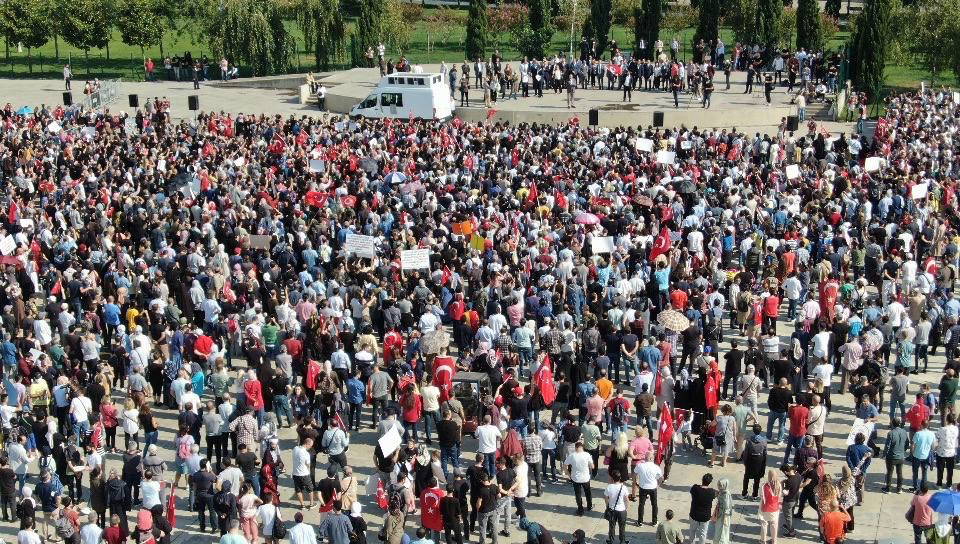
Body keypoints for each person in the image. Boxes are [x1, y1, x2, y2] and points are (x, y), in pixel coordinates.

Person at [564, 441, 594, 516]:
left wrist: (569, 474)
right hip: (585, 478)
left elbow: (565, 466)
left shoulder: (572, 456)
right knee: (588, 492)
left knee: (578, 494)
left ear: (575, 448)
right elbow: (592, 466)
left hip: (575, 478)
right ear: (582, 447)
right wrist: (589, 470)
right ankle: (589, 506)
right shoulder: (587, 455)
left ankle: (580, 510)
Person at [688, 473, 717, 544]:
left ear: (702, 480)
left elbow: (692, 491)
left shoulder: (695, 488)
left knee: (692, 531)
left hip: (694, 514)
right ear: (709, 482)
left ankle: (691, 542)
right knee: (703, 533)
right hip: (705, 517)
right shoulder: (711, 492)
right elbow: (717, 494)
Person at [603, 469, 628, 544]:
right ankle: (622, 541)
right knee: (622, 526)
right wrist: (626, 507)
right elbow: (626, 500)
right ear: (620, 478)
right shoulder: (624, 487)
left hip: (612, 510)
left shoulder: (609, 487)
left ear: (612, 478)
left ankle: (611, 540)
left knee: (612, 526)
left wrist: (608, 506)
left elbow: (606, 498)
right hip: (622, 510)